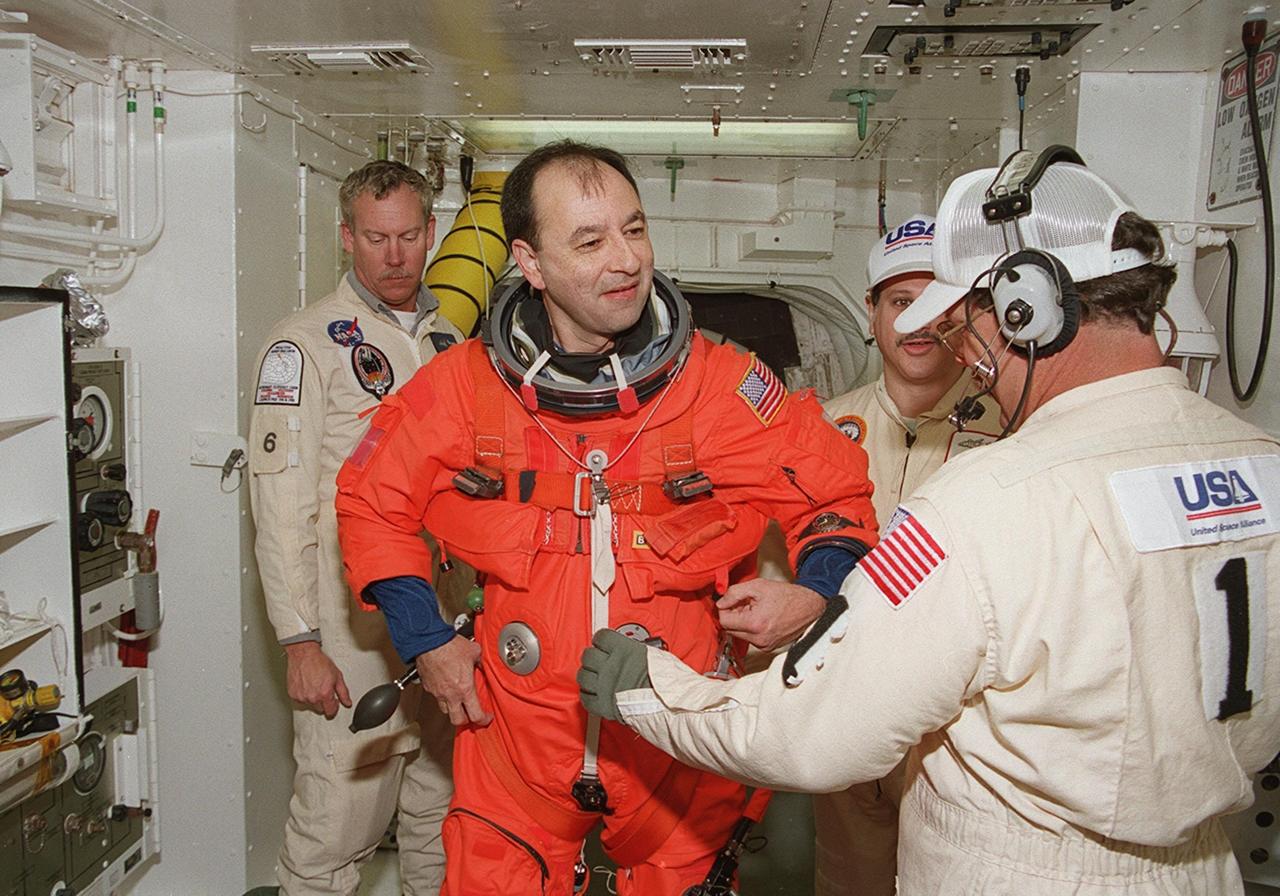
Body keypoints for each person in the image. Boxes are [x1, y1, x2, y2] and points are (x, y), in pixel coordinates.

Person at [579, 148, 1280, 895]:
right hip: (1205, 869)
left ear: (1027, 306)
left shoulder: (989, 500)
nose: (971, 358)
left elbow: (811, 732)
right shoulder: (1264, 462)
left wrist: (651, 690)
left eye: (967, 325)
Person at [334, 139, 878, 895]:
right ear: (530, 262)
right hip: (515, 746)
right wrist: (424, 636)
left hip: (680, 743)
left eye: (634, 228)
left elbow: (835, 496)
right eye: (589, 241)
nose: (624, 260)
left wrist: (815, 594)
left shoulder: (719, 387)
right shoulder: (464, 388)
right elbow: (372, 499)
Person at [249, 160, 465, 896]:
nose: (395, 255)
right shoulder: (305, 345)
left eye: (409, 235)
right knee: (333, 836)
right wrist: (300, 639)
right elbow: (281, 504)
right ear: (348, 237)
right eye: (377, 238)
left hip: (440, 628)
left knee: (443, 830)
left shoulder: (449, 346)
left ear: (432, 233)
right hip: (354, 637)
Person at [814, 214, 995, 896]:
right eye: (899, 302)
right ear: (871, 313)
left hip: (959, 724)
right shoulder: (821, 427)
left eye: (938, 305)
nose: (918, 323)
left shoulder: (1016, 430)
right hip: (842, 701)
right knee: (850, 877)